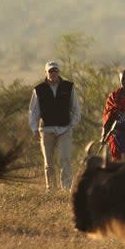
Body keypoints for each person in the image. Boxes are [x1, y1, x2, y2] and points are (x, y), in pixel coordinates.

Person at [28, 60, 82, 190]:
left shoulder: (68, 87)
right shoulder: (39, 89)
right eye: (50, 71)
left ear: (59, 72)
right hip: (46, 130)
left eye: (55, 70)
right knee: (48, 163)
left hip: (65, 129)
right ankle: (51, 188)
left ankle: (67, 188)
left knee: (65, 159)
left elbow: (75, 108)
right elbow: (34, 111)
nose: (53, 73)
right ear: (46, 73)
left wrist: (71, 124)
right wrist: (34, 129)